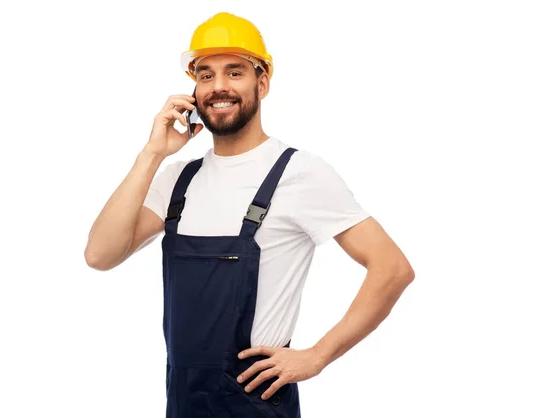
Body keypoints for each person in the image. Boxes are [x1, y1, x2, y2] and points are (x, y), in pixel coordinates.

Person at [84, 11, 415, 418]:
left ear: (263, 82)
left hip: (257, 406)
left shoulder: (299, 173)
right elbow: (100, 255)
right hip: (184, 403)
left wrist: (317, 356)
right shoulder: (178, 180)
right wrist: (152, 153)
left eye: (234, 72)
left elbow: (392, 268)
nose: (218, 86)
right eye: (206, 75)